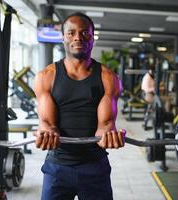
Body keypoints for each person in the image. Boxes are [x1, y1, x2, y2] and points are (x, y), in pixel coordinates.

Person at [33, 12, 126, 200]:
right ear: (63, 37)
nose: (78, 37)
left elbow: (105, 124)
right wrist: (47, 134)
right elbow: (47, 122)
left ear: (93, 38)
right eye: (71, 33)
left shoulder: (108, 78)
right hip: (58, 166)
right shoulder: (46, 76)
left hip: (94, 166)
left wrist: (108, 136)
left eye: (85, 33)